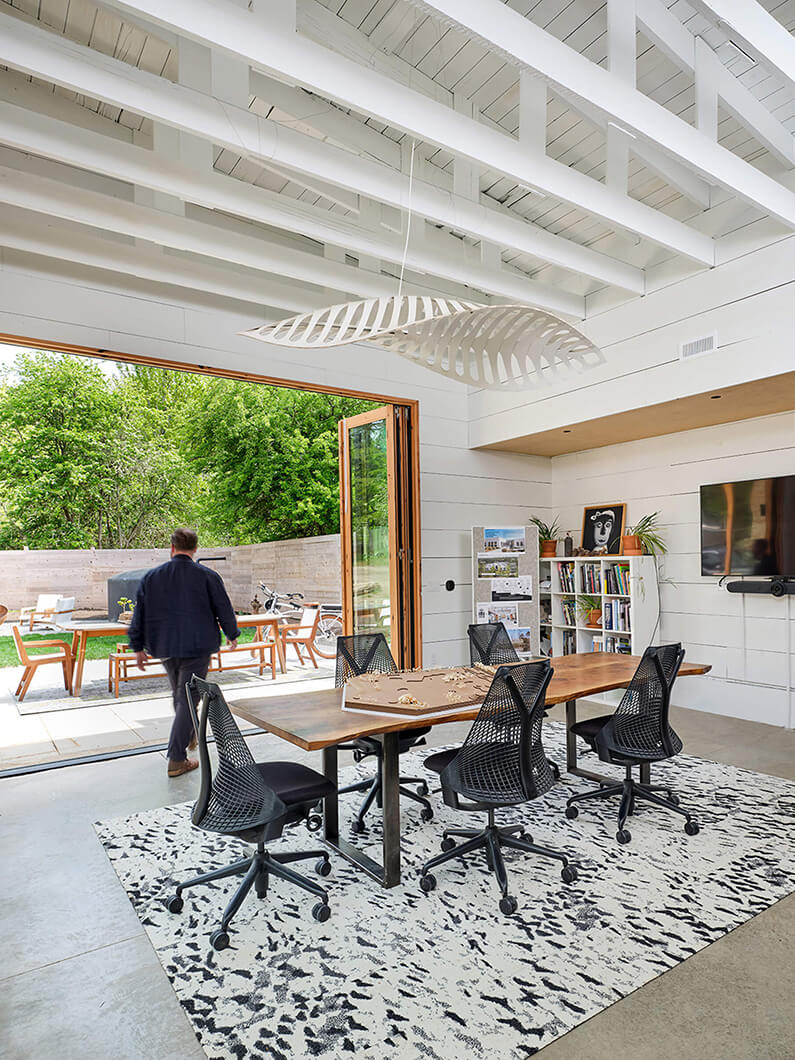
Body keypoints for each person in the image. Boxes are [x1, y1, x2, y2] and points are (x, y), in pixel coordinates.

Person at [128, 527, 240, 778]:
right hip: (197, 647)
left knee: (182, 697)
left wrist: (137, 647)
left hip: (165, 647)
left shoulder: (152, 577)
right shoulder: (207, 576)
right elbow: (223, 607)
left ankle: (189, 736)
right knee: (188, 699)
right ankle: (177, 759)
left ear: (172, 548)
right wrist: (232, 633)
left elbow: (139, 614)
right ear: (195, 548)